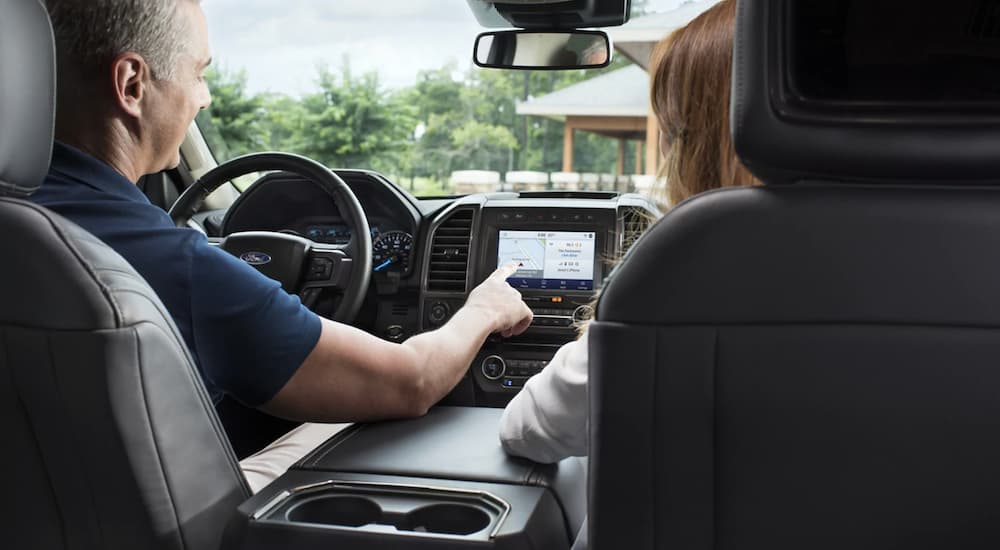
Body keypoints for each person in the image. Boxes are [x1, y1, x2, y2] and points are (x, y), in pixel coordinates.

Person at [35, 0, 533, 492]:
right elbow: (412, 382)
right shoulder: (176, 267)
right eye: (199, 73)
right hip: (166, 526)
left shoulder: (28, 217)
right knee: (349, 421)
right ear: (132, 85)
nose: (204, 98)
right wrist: (483, 310)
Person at [499, 0, 760, 463]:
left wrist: (594, 330)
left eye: (674, 129)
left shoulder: (673, 272)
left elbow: (526, 430)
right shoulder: (918, 260)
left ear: (697, 143)